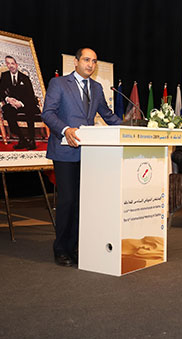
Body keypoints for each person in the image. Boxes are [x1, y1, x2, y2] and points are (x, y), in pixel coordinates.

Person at [42, 48, 122, 267]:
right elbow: (47, 113)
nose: (90, 64)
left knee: (82, 202)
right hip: (65, 151)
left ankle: (76, 246)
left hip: (89, 153)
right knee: (67, 200)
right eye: (86, 60)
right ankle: (61, 249)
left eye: (94, 61)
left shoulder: (96, 88)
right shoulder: (59, 84)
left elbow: (107, 115)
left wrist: (128, 129)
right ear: (76, 62)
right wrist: (65, 128)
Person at [0, 55, 40, 150]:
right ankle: (22, 139)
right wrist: (8, 99)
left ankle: (31, 140)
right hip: (12, 103)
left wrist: (21, 103)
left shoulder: (25, 78)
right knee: (7, 111)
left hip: (25, 103)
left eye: (12, 63)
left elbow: (30, 95)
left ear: (16, 64)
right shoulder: (4, 76)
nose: (10, 65)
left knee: (30, 109)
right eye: (8, 63)